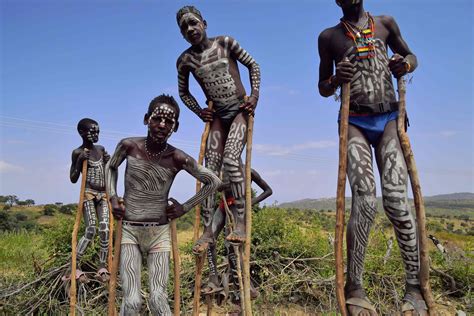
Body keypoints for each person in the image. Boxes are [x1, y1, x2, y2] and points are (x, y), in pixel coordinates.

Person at [317, 1, 426, 315]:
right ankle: (355, 287)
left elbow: (411, 56)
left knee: (395, 199)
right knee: (364, 201)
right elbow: (322, 86)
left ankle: (414, 288)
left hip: (390, 119)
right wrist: (338, 78)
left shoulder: (385, 23)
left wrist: (404, 65)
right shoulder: (329, 37)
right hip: (354, 122)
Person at [106, 94, 222, 315]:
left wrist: (184, 207)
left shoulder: (176, 157)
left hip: (159, 234)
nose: (162, 125)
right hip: (129, 231)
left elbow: (213, 181)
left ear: (175, 127)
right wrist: (112, 198)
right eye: (157, 118)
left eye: (169, 122)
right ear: (146, 119)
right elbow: (111, 167)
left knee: (159, 300)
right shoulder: (129, 146)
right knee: (131, 302)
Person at [176, 5, 261, 250]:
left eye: (193, 23)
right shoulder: (185, 60)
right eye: (184, 27)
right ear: (182, 34)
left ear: (204, 23)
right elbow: (184, 92)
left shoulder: (225, 43)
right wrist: (199, 111)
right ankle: (208, 231)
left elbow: (253, 65)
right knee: (209, 173)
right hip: (217, 119)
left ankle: (241, 223)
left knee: (232, 161)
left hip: (239, 112)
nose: (190, 29)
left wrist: (254, 95)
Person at [203, 167, 272, 303]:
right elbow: (216, 187)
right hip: (223, 206)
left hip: (237, 209)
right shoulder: (221, 172)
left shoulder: (248, 172)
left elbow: (268, 191)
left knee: (232, 249)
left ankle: (246, 288)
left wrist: (251, 202)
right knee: (208, 239)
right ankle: (214, 279)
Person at [68, 118, 110, 282]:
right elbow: (73, 178)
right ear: (81, 133)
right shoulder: (77, 152)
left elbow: (108, 173)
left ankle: (102, 265)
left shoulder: (101, 150)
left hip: (103, 194)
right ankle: (75, 265)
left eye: (98, 131)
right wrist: (79, 161)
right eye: (92, 132)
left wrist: (108, 162)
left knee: (105, 229)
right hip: (88, 195)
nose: (96, 134)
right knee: (91, 228)